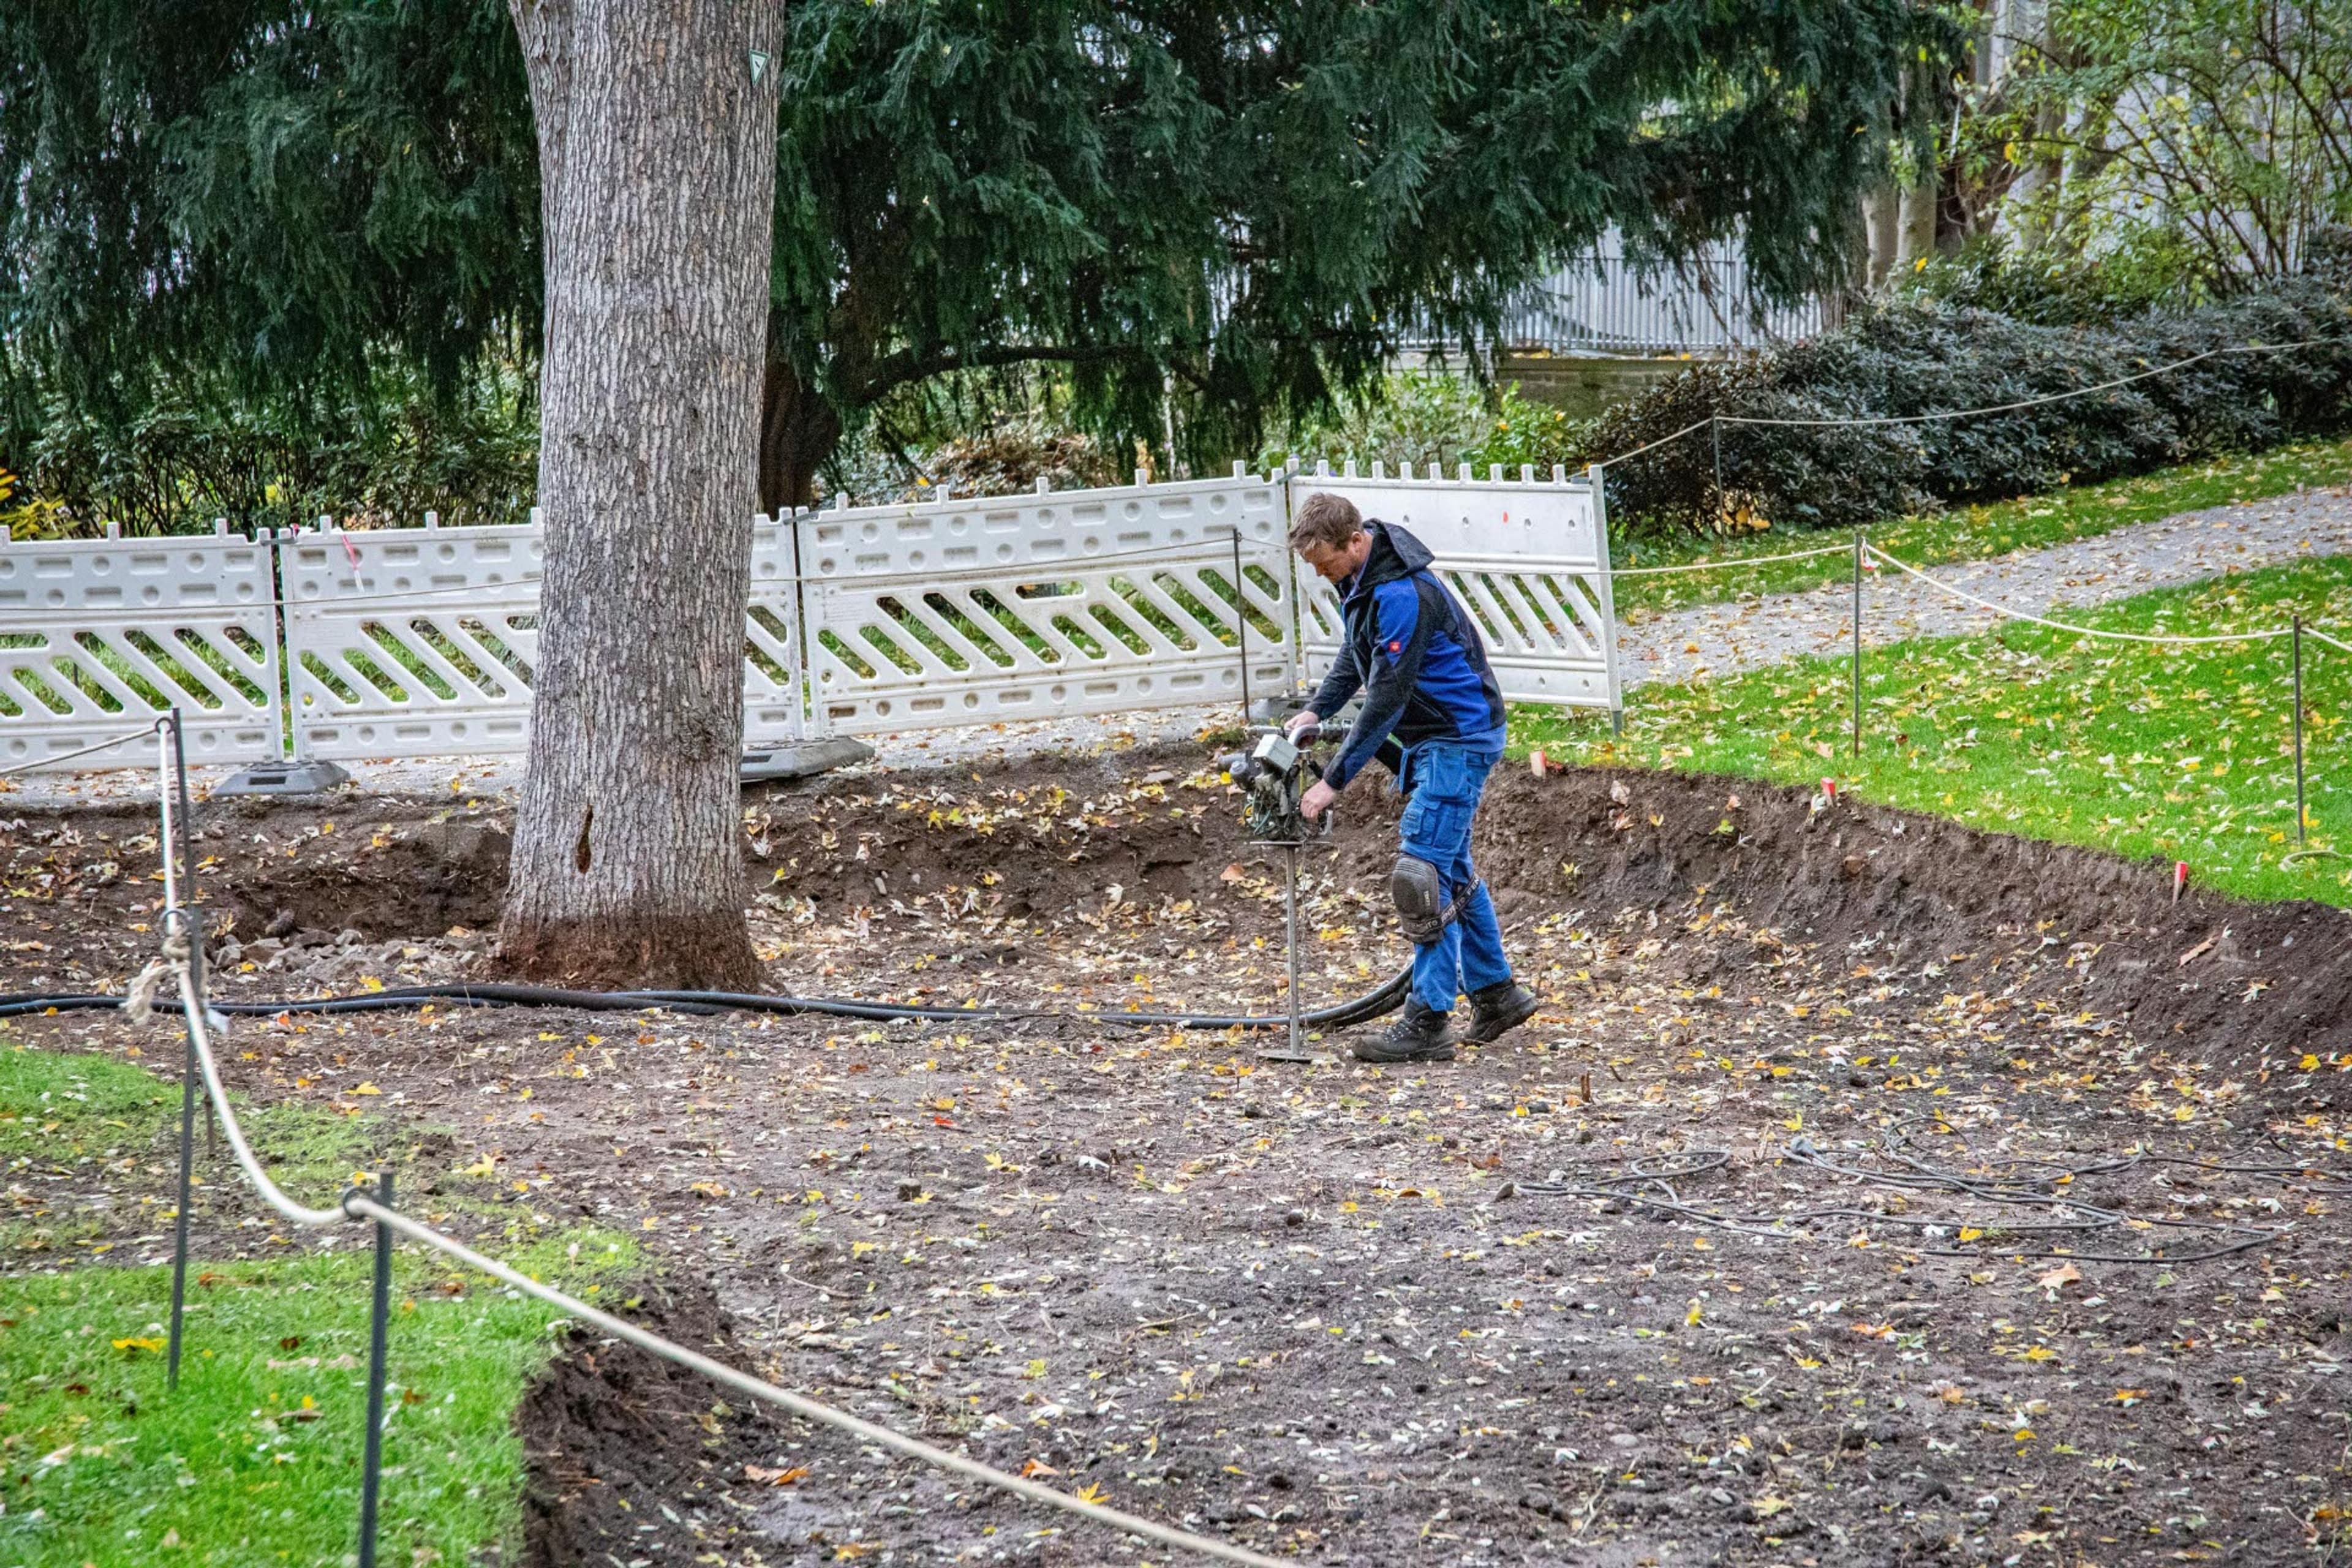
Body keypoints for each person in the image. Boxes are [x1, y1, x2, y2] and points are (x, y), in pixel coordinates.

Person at [1285, 491, 1540, 1063]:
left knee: (1419, 872)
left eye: (1324, 560)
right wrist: (1316, 710)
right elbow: (1357, 657)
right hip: (1435, 738)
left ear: (1355, 541)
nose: (1319, 571)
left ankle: (1427, 1020)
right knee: (1450, 869)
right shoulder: (1363, 579)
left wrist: (1333, 780)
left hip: (1458, 737)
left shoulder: (1402, 593)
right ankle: (1497, 993)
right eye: (1313, 564)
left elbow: (1388, 695)